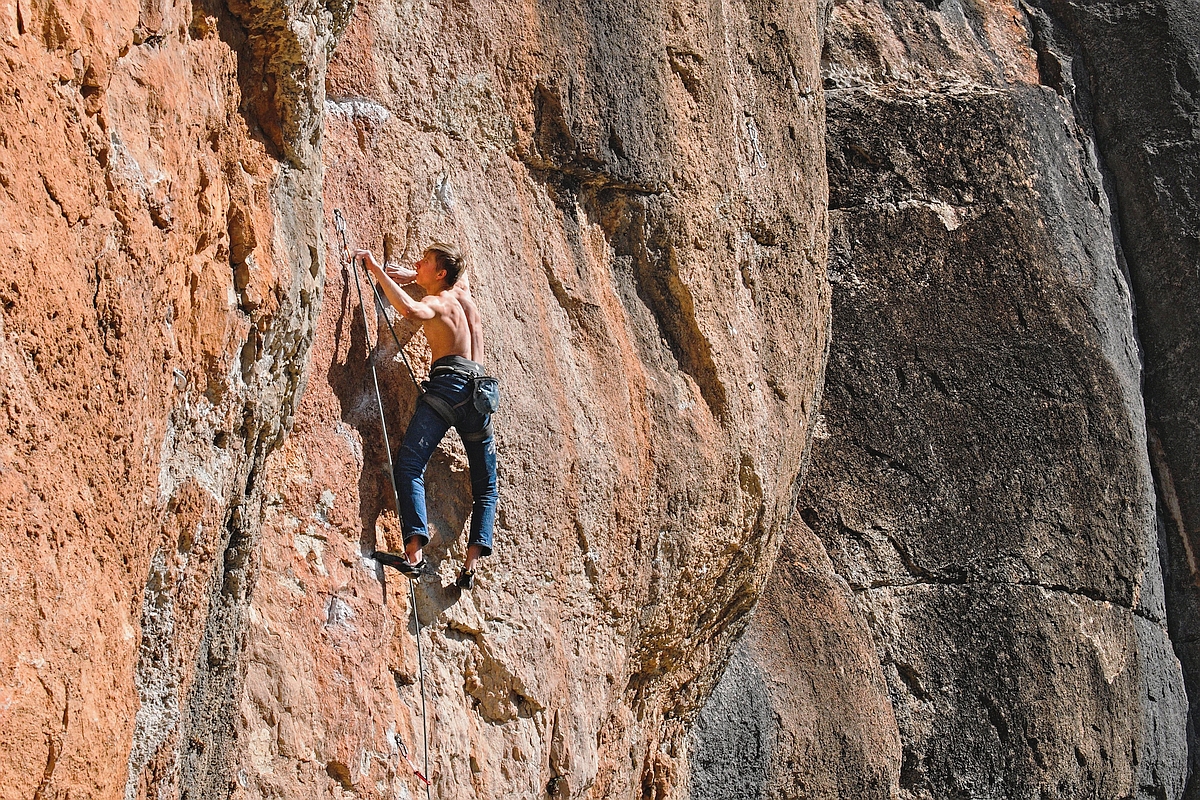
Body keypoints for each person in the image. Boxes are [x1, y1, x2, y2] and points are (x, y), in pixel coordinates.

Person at [356, 243, 497, 590]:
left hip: (449, 387)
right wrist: (412, 276)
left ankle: (413, 555)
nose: (417, 264)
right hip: (481, 393)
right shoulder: (463, 293)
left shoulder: (438, 302)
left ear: (441, 274)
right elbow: (458, 275)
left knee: (409, 465)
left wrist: (375, 268)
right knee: (486, 486)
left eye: (425, 263)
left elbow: (411, 311)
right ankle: (469, 567)